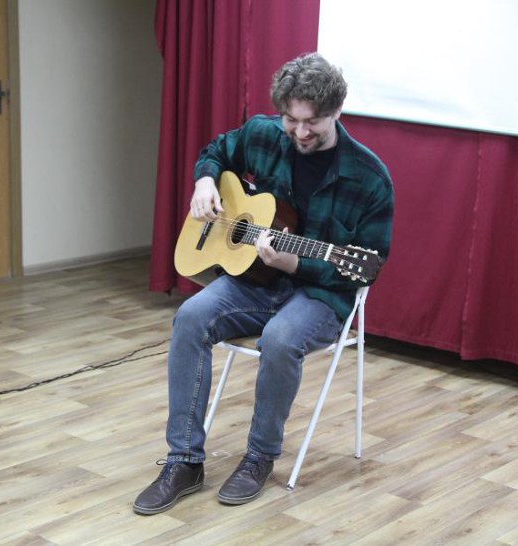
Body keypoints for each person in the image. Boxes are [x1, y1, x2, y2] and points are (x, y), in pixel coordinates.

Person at [133, 52, 394, 515]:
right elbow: (215, 152)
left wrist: (295, 264)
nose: (300, 132)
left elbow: (366, 268)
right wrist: (205, 182)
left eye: (312, 122)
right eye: (291, 120)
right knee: (191, 317)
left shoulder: (369, 178)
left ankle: (259, 457)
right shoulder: (263, 133)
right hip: (255, 279)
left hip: (320, 295)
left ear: (337, 111)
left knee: (280, 338)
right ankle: (184, 461)